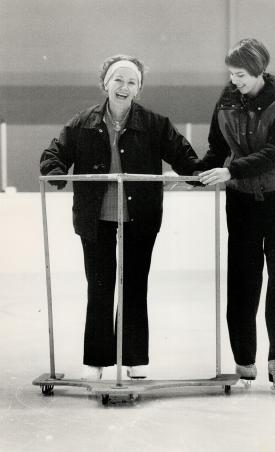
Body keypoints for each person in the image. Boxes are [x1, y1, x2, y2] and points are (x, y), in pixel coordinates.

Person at [40, 54, 200, 380]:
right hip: (95, 219)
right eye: (118, 80)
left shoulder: (155, 124)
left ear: (138, 89)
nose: (124, 87)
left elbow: (185, 157)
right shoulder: (83, 122)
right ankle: (96, 360)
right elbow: (53, 153)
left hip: (139, 218)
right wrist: (55, 172)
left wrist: (200, 173)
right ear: (105, 83)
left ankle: (133, 357)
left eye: (132, 82)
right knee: (99, 288)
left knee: (134, 286)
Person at [198, 39, 275, 387]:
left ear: (259, 71)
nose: (235, 81)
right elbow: (216, 150)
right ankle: (244, 359)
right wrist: (190, 176)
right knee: (243, 279)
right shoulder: (226, 99)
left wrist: (232, 170)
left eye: (241, 74)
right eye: (231, 74)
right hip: (241, 201)